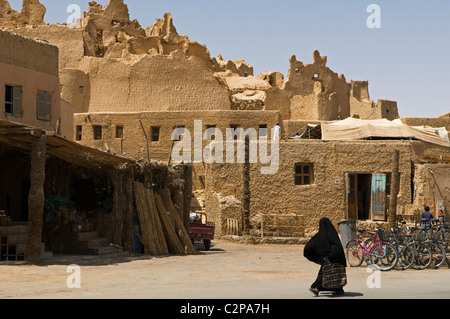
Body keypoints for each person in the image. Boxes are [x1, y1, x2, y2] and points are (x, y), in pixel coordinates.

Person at [303, 217, 347, 296]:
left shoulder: (326, 234)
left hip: (332, 258)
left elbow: (336, 248)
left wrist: (329, 256)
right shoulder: (330, 233)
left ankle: (317, 289)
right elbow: (310, 245)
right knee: (332, 274)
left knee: (325, 274)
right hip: (335, 258)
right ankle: (338, 289)